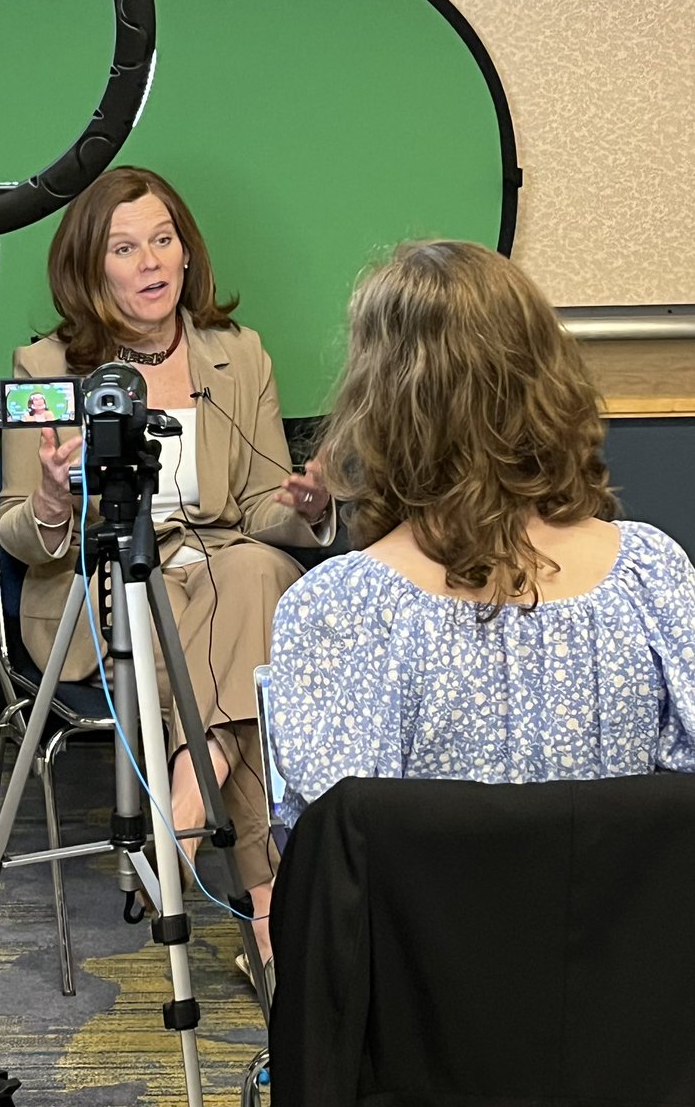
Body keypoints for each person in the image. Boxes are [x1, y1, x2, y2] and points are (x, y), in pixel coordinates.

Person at [0, 165, 333, 965]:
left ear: (187, 253)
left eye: (162, 239)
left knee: (254, 571)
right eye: (124, 247)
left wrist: (311, 508)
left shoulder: (238, 354)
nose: (149, 262)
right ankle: (266, 910)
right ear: (89, 267)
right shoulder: (46, 366)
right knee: (244, 639)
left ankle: (180, 820)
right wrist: (52, 498)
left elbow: (260, 508)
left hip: (220, 569)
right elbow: (17, 532)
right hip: (102, 585)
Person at [269, 239, 695, 827]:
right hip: (628, 919)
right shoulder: (654, 577)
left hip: (424, 921)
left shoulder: (338, 608)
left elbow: (326, 852)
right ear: (547, 375)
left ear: (379, 401)